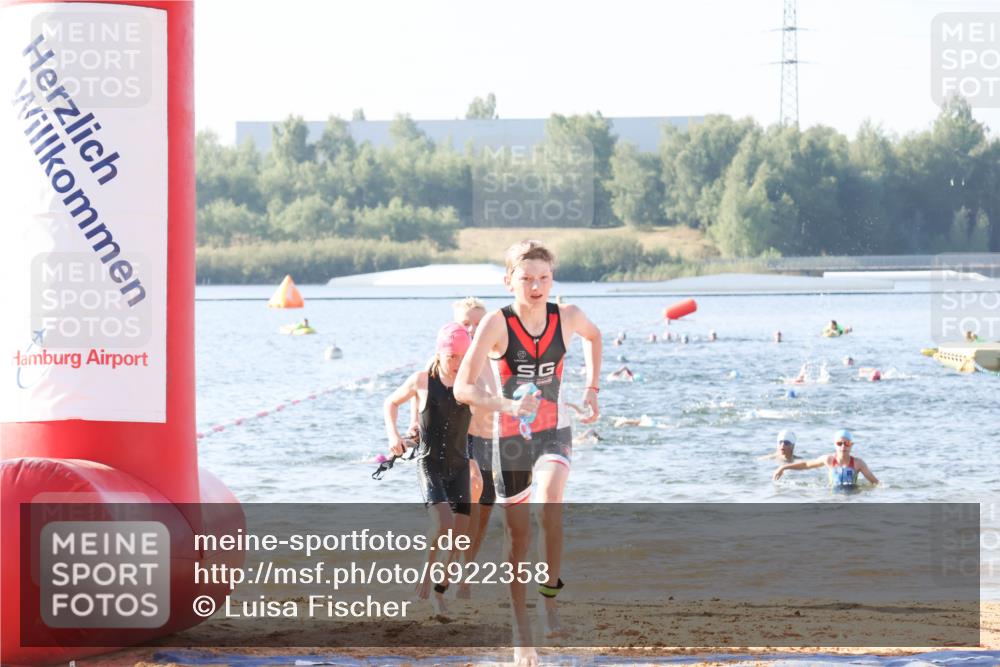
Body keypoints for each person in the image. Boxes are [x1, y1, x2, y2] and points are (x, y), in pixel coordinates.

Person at [455, 240, 601, 664]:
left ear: (551, 280)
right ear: (508, 281)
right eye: (526, 278)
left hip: (554, 430)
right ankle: (523, 633)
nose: (536, 286)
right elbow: (464, 388)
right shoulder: (496, 325)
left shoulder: (567, 316)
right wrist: (506, 405)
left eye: (544, 278)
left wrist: (592, 389)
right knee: (518, 539)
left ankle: (550, 603)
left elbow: (594, 337)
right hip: (511, 440)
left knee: (549, 506)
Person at [383, 323, 473, 617]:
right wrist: (394, 436)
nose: (458, 364)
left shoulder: (470, 384)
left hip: (459, 465)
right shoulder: (422, 380)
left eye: (463, 356)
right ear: (439, 352)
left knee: (459, 537)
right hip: (430, 464)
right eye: (452, 357)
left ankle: (439, 592)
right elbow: (390, 403)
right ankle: (426, 570)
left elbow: (488, 414)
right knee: (444, 523)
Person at [772, 429, 879, 489]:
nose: (843, 447)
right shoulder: (829, 460)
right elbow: (806, 465)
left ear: (851, 445)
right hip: (833, 497)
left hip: (853, 498)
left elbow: (875, 483)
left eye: (846, 443)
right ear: (835, 445)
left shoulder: (858, 463)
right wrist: (783, 467)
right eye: (839, 443)